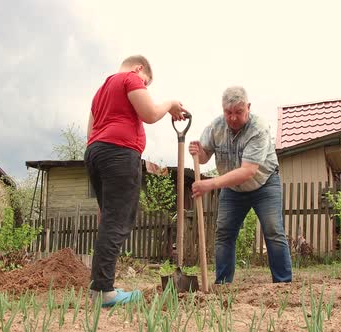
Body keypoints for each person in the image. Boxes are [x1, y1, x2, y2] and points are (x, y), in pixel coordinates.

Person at [85, 55, 188, 306]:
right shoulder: (130, 78)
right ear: (140, 69)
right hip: (119, 153)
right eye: (147, 83)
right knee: (117, 222)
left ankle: (100, 286)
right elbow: (150, 113)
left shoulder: (100, 91)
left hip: (95, 153)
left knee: (109, 219)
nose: (145, 87)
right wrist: (171, 104)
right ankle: (103, 292)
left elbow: (90, 132)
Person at [188, 86, 292, 284]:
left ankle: (283, 283)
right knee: (224, 232)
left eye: (239, 112)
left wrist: (210, 184)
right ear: (223, 110)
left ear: (248, 108)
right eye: (228, 113)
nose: (233, 118)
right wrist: (198, 152)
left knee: (273, 230)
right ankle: (223, 283)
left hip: (264, 183)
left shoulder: (259, 128)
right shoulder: (215, 127)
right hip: (233, 189)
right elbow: (203, 157)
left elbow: (247, 171)